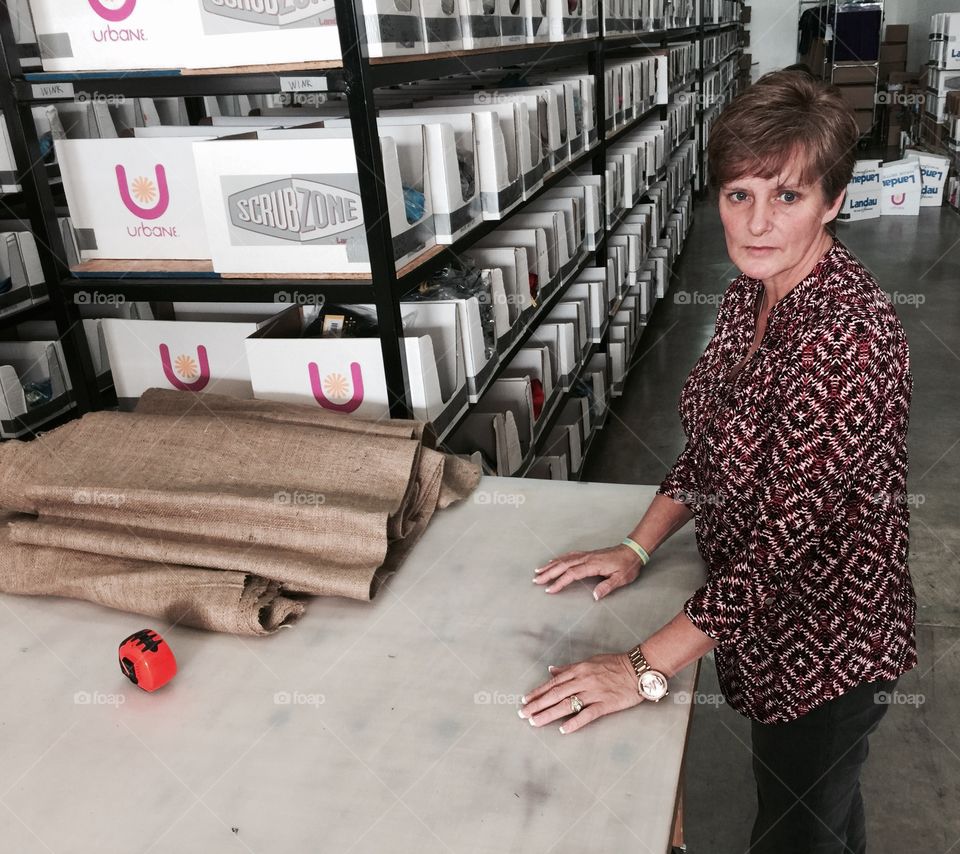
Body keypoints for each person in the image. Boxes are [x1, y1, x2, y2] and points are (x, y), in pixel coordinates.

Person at [518, 70, 917, 854]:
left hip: (830, 648)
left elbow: (781, 559)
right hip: (754, 628)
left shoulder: (849, 339)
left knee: (797, 824)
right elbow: (708, 451)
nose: (758, 223)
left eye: (788, 197)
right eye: (740, 195)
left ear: (834, 201)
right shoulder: (749, 294)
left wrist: (641, 668)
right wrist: (639, 545)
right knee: (817, 804)